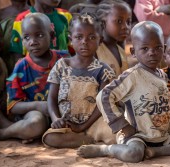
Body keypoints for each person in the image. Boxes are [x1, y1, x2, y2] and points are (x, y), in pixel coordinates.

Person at [77, 21, 170, 163]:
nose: (152, 53)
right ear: (133, 52)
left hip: (162, 136)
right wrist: (122, 125)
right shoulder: (132, 76)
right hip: (138, 136)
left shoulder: (162, 75)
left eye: (157, 48)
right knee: (134, 155)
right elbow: (104, 96)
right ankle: (107, 149)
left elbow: (167, 103)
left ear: (163, 49)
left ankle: (156, 152)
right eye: (144, 49)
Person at [0, 13, 66, 142]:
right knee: (35, 124)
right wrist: (39, 105)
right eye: (27, 37)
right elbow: (13, 106)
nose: (33, 42)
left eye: (39, 35)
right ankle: (3, 134)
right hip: (37, 113)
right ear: (22, 41)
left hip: (64, 111)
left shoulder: (65, 60)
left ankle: (25, 133)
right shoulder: (21, 67)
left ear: (51, 36)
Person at [42, 14, 116, 148]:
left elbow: (103, 103)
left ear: (100, 41)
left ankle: (87, 137)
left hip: (94, 122)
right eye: (79, 37)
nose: (84, 42)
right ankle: (87, 140)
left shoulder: (103, 70)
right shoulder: (62, 65)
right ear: (70, 40)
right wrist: (56, 119)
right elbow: (51, 98)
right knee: (50, 138)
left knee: (113, 133)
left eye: (92, 37)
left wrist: (82, 126)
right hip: (67, 123)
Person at [95, 0, 131, 77]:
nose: (125, 27)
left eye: (128, 22)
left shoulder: (121, 51)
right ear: (103, 23)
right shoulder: (95, 51)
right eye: (119, 21)